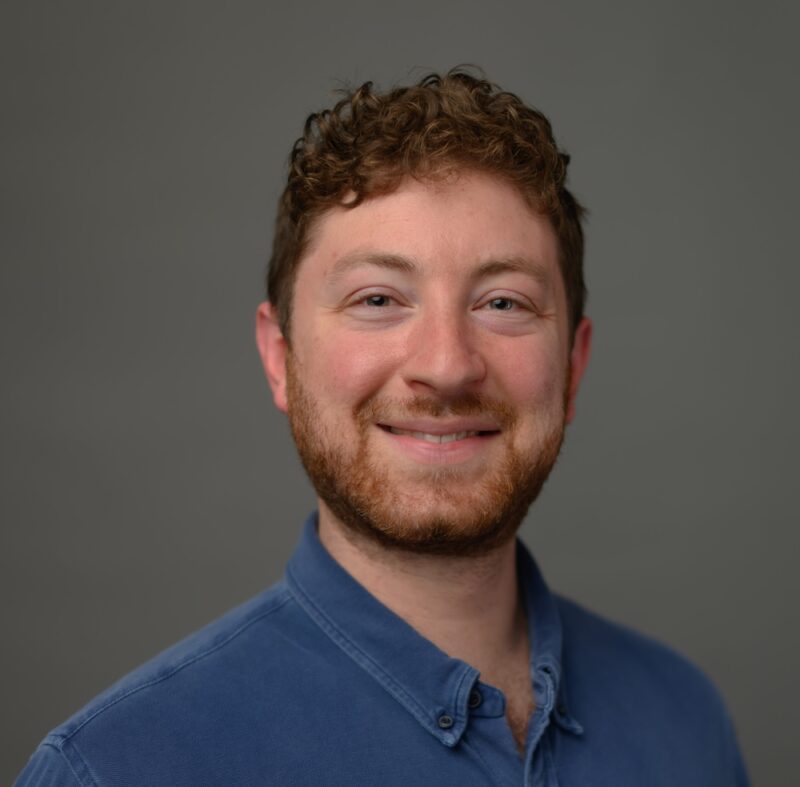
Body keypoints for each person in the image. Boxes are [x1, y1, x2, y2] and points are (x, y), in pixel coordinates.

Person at [15, 69, 748, 786]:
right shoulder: (113, 770)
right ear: (281, 358)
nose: (446, 365)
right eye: (377, 298)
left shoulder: (684, 719)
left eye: (503, 303)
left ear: (574, 365)